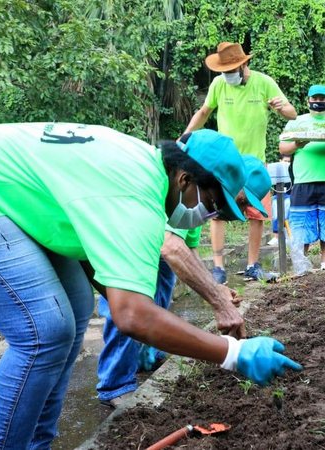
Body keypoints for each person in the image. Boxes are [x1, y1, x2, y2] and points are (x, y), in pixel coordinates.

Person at [0, 124, 302, 449]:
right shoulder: (134, 197)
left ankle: (37, 444)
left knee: (77, 306)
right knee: (44, 331)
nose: (207, 216)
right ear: (185, 180)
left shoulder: (139, 169)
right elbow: (131, 315)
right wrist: (233, 353)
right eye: (209, 204)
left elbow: (108, 278)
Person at [95, 146, 271, 408]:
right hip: (134, 236)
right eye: (243, 201)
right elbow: (170, 246)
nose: (241, 210)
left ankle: (147, 353)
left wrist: (216, 288)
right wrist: (217, 301)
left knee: (162, 289)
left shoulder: (201, 201)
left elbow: (187, 249)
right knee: (130, 302)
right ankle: (115, 383)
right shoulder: (182, 189)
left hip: (156, 243)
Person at [184, 42, 297, 283]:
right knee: (216, 213)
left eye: (232, 70)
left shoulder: (264, 83)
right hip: (223, 164)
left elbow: (292, 113)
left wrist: (281, 107)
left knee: (256, 213)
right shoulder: (218, 84)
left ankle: (253, 265)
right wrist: (185, 136)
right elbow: (204, 112)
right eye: (224, 71)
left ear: (244, 64)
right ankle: (218, 268)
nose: (228, 75)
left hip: (254, 163)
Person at [278, 84, 325, 270]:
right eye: (315, 99)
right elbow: (283, 148)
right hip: (304, 181)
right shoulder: (296, 122)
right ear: (308, 101)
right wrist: (298, 143)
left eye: (322, 99)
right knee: (302, 223)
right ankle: (301, 264)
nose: (318, 102)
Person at [268, 153, 293, 247]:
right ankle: (276, 237)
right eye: (285, 161)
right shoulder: (275, 170)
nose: (287, 163)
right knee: (276, 216)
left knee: (287, 216)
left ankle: (288, 236)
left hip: (289, 195)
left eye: (289, 161)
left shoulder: (291, 171)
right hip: (276, 196)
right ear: (280, 161)